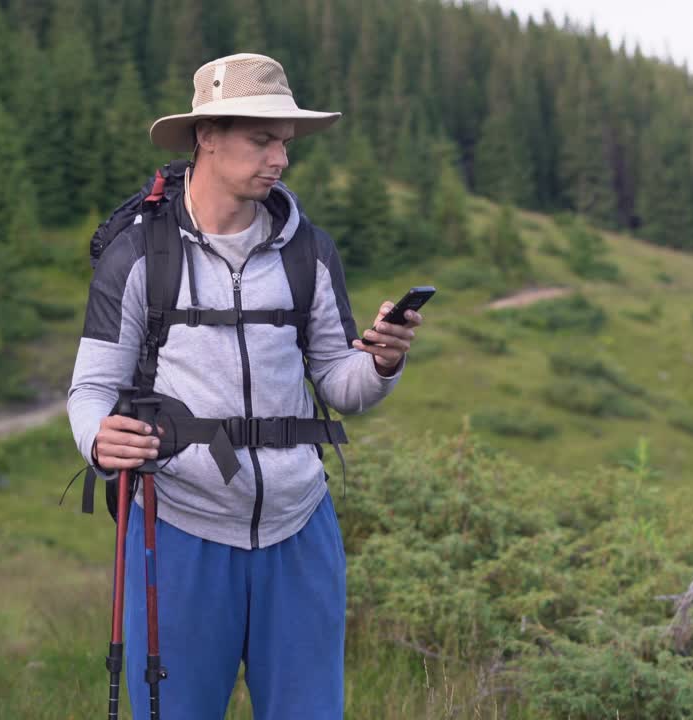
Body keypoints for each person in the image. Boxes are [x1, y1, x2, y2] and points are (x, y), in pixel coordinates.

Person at [66, 53, 423, 719]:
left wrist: (380, 363)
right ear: (207, 135)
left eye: (283, 143)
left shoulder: (306, 250)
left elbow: (342, 387)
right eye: (262, 140)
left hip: (299, 530)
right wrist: (98, 439)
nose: (280, 160)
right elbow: (91, 387)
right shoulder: (139, 253)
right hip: (176, 530)